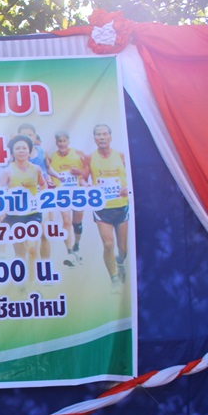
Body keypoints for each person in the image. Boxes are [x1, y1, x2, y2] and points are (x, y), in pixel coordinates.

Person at [0, 134, 49, 281]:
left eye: (24, 148)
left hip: (33, 213)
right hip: (15, 216)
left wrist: (42, 200)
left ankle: (32, 282)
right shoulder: (7, 171)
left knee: (32, 249)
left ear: (29, 151)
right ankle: (21, 281)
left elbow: (43, 184)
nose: (21, 151)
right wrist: (2, 215)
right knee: (20, 253)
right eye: (17, 148)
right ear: (12, 152)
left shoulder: (36, 169)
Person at [87, 124, 130, 293]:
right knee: (108, 244)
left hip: (121, 206)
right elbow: (82, 178)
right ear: (94, 138)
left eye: (105, 134)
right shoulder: (90, 158)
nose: (102, 137)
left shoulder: (121, 156)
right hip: (102, 208)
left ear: (110, 137)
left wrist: (128, 188)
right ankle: (114, 279)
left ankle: (120, 263)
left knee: (123, 248)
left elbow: (132, 177)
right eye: (98, 135)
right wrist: (87, 186)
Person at [46, 131, 90, 267]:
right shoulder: (51, 157)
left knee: (77, 223)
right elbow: (47, 171)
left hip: (77, 192)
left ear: (68, 141)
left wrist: (80, 174)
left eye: (64, 141)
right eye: (60, 141)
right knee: (66, 221)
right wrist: (50, 180)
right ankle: (69, 252)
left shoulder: (79, 154)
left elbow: (87, 171)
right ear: (56, 142)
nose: (62, 144)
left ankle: (77, 244)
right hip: (62, 193)